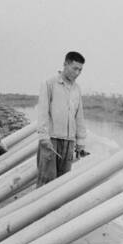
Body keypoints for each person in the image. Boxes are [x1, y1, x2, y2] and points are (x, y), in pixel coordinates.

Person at [36, 51, 89, 186]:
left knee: (62, 183)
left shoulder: (77, 89)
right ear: (65, 64)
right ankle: (42, 207)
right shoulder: (50, 83)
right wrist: (43, 137)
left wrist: (80, 141)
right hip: (51, 140)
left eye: (80, 70)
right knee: (46, 181)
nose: (77, 73)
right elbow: (42, 112)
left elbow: (79, 116)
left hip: (69, 142)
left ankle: (58, 208)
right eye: (74, 68)